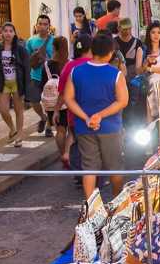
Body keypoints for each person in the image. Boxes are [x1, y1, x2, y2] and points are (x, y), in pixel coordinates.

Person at [64, 33, 128, 198]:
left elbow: (68, 99)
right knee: (115, 166)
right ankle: (116, 203)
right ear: (110, 53)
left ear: (92, 50)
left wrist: (86, 118)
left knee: (89, 167)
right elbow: (122, 101)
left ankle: (90, 208)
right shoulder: (115, 74)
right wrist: (99, 115)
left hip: (84, 127)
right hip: (111, 127)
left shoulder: (76, 71)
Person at [0, 23, 30, 146]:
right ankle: (13, 129)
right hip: (3, 83)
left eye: (11, 31)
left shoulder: (21, 49)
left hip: (17, 83)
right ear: (1, 34)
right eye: (5, 31)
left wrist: (27, 89)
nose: (8, 33)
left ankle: (19, 136)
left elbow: (27, 70)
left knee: (18, 110)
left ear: (14, 33)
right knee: (4, 110)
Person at [56, 34, 92, 168]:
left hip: (74, 113)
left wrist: (56, 110)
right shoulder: (95, 65)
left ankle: (76, 169)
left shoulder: (69, 66)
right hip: (93, 113)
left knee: (75, 139)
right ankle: (88, 173)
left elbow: (62, 92)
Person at [25, 14, 56, 136]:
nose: (42, 26)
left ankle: (48, 126)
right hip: (35, 75)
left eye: (45, 24)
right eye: (40, 24)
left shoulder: (54, 40)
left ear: (49, 26)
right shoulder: (31, 41)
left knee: (50, 102)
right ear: (36, 25)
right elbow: (27, 58)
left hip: (50, 76)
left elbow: (57, 57)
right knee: (34, 100)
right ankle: (43, 117)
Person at [45, 36, 70, 159]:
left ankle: (62, 155)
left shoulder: (47, 65)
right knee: (71, 131)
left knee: (59, 131)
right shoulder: (69, 63)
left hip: (51, 103)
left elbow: (42, 85)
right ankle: (68, 154)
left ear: (53, 48)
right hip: (67, 101)